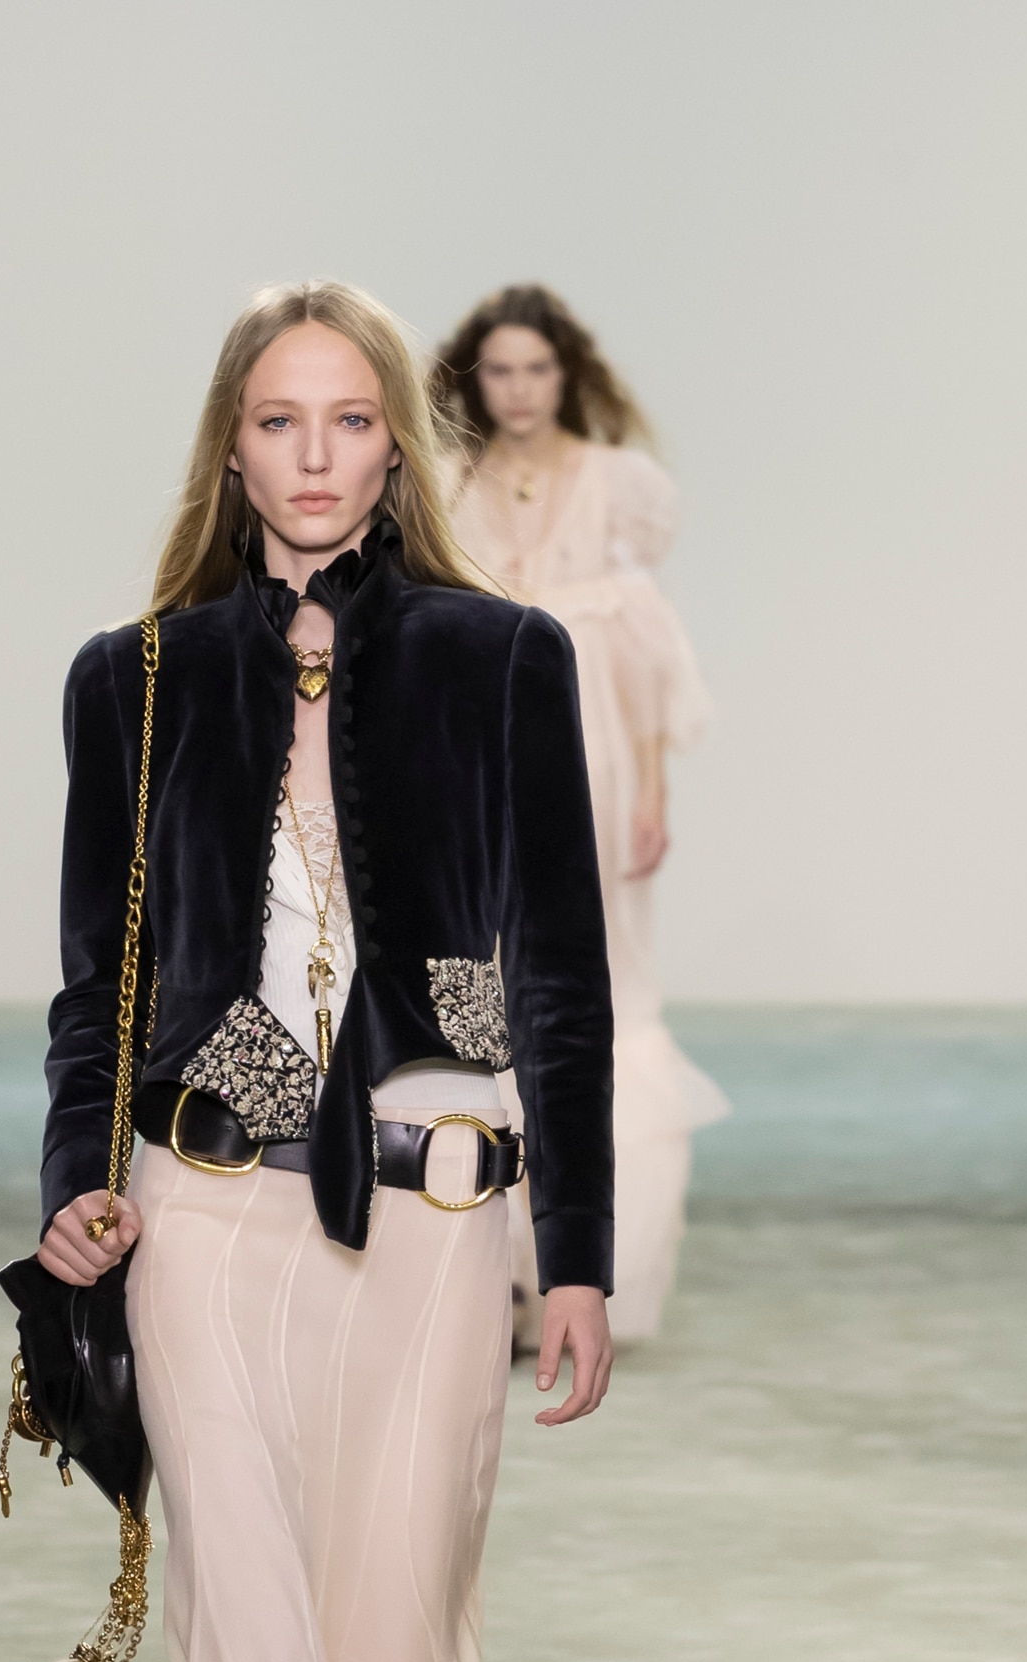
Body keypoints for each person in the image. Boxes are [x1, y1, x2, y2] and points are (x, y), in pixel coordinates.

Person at [25, 281, 614, 1662]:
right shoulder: (136, 677)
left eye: (349, 419)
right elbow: (94, 986)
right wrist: (75, 1187)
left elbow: (552, 978)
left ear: (391, 444)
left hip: (434, 1209)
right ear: (232, 444)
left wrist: (577, 1253)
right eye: (278, 420)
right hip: (208, 1205)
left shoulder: (499, 657)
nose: (313, 454)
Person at [437, 283, 726, 1343]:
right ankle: (493, 1264)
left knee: (593, 978)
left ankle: (592, 1261)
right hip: (475, 754)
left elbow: (646, 649)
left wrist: (653, 788)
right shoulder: (445, 482)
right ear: (475, 380)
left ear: (567, 375)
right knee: (481, 975)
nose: (518, 390)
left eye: (536, 369)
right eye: (500, 371)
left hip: (596, 754)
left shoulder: (618, 488)